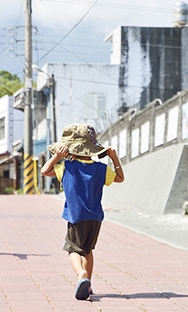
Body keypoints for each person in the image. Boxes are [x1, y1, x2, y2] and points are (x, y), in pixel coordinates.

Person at [41, 123, 124, 300]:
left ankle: (81, 275)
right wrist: (114, 158)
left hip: (76, 216)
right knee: (88, 250)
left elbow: (44, 171)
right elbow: (120, 178)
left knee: (72, 250)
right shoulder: (101, 169)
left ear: (70, 149)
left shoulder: (66, 167)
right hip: (95, 218)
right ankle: (87, 285)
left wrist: (57, 157)